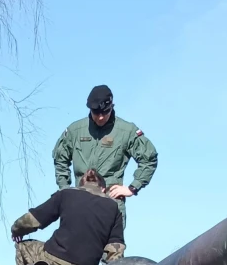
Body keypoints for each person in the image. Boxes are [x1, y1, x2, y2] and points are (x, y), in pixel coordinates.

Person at [52, 85, 158, 224]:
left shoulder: (126, 131)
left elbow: (149, 158)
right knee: (75, 244)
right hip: (78, 205)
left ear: (112, 107)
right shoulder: (75, 130)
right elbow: (60, 159)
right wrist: (65, 191)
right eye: (96, 113)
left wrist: (133, 187)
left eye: (105, 112)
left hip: (110, 204)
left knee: (109, 246)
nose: (101, 117)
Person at [11, 169, 125, 265]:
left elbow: (33, 219)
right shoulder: (114, 208)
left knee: (23, 247)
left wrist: (16, 230)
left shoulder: (67, 194)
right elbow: (115, 250)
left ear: (81, 186)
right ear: (103, 189)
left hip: (55, 260)